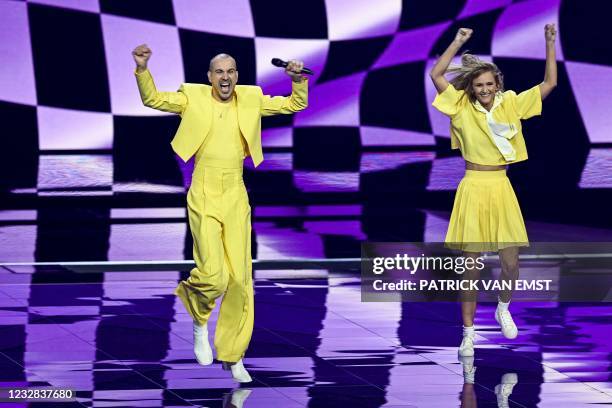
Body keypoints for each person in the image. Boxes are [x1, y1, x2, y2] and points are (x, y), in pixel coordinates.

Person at [132, 44, 308, 382]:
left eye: (230, 72)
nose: (225, 78)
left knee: (241, 280)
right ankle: (199, 320)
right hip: (204, 189)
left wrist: (298, 79)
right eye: (218, 72)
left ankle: (233, 355)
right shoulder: (193, 97)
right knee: (214, 275)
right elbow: (153, 99)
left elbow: (294, 103)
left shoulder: (251, 97)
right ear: (210, 77)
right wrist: (142, 68)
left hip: (236, 193)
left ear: (236, 76)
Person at [429, 25, 557, 357]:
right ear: (471, 87)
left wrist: (548, 43)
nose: (484, 89)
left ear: (497, 84)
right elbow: (437, 73)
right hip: (473, 186)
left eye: (489, 84)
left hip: (502, 186)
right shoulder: (459, 105)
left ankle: (503, 307)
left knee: (511, 264)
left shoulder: (511, 104)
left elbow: (549, 83)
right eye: (478, 85)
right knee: (470, 267)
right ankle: (468, 333)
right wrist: (458, 42)